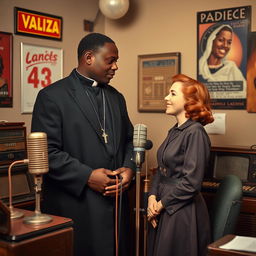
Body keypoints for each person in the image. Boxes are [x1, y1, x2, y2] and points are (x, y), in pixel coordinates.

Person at [31, 33, 135, 256]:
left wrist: (129, 168)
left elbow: (130, 139)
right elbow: (46, 152)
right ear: (89, 57)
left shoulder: (116, 97)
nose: (115, 66)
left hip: (116, 205)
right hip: (77, 205)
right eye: (111, 60)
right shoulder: (52, 96)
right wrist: (87, 176)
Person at [147, 74, 214, 256]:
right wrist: (152, 198)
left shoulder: (195, 133)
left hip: (181, 211)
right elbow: (161, 171)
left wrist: (161, 205)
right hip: (163, 204)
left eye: (173, 93)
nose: (166, 98)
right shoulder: (175, 131)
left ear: (189, 101)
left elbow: (191, 183)